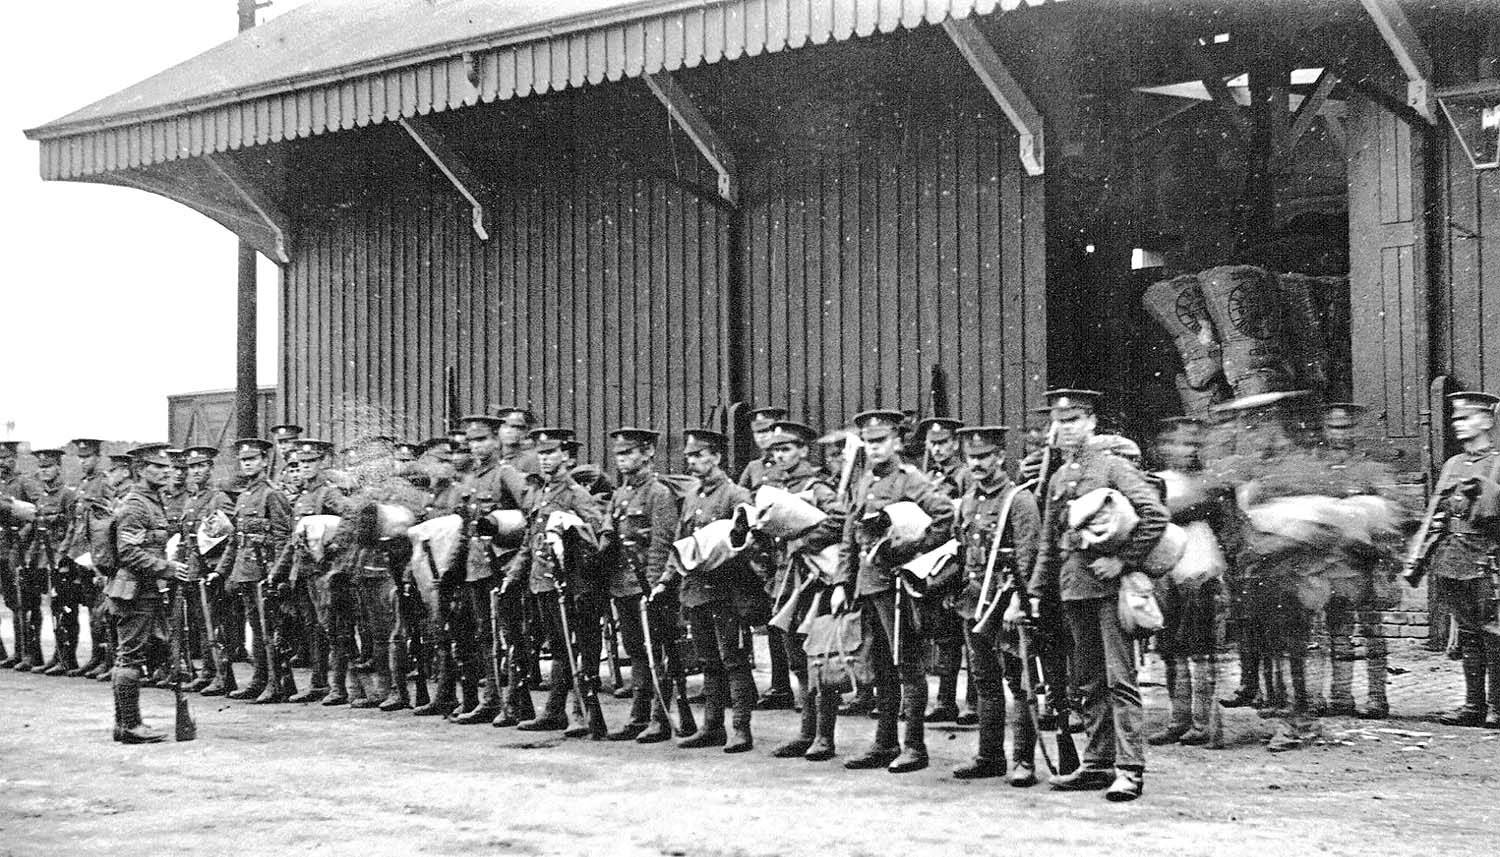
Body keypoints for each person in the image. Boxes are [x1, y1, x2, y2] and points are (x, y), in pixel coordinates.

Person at [1027, 390, 1167, 801]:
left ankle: (1130, 768)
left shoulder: (1112, 467)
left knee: (1119, 679)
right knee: (1087, 682)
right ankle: (1097, 763)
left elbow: (1155, 514)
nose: (1064, 428)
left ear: (1091, 423)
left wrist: (1123, 561)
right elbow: (1049, 544)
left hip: (1108, 587)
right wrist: (1037, 590)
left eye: (1072, 420)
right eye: (1059, 421)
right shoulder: (1055, 477)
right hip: (1074, 589)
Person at [832, 409, 955, 774]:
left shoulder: (909, 481)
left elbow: (945, 516)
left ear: (897, 442)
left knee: (908, 667)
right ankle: (884, 743)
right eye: (868, 442)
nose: (874, 448)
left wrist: (910, 552)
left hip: (897, 588)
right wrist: (842, 581)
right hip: (868, 587)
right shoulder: (864, 481)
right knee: (880, 668)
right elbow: (849, 537)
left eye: (881, 441)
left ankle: (915, 746)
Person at [654, 428, 764, 752]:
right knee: (708, 661)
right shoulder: (691, 497)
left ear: (716, 457)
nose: (692, 462)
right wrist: (665, 580)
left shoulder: (736, 495)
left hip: (728, 590)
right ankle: (712, 728)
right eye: (689, 456)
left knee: (733, 659)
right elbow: (681, 544)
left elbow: (749, 538)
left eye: (699, 455)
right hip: (696, 591)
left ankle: (741, 729)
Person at [949, 425, 1040, 782]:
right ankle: (989, 757)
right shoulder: (969, 499)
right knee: (984, 681)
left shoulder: (1018, 499)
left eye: (985, 456)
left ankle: (1023, 761)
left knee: (1020, 684)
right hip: (975, 602)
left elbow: (1029, 554)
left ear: (1000, 457)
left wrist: (1023, 600)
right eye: (971, 457)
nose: (977, 463)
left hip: (1008, 602)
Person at [506, 428, 608, 738]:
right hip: (544, 582)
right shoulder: (540, 493)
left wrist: (573, 530)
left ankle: (582, 714)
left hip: (574, 584)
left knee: (580, 647)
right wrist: (514, 574)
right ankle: (556, 712)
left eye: (551, 453)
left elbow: (597, 533)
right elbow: (529, 540)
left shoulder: (576, 494)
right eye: (542, 454)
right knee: (561, 649)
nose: (546, 459)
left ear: (565, 455)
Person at [1406, 391, 1500, 728]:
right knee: (1468, 633)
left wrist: (1487, 489)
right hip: (1453, 559)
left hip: (1488, 560)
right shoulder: (1452, 465)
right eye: (1456, 419)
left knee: (1494, 634)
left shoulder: (1499, 462)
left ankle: (1496, 707)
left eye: (1467, 418)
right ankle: (1473, 705)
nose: (1459, 425)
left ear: (1487, 420)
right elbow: (1435, 512)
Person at [756, 420, 841, 758]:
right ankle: (806, 732)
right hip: (784, 579)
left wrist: (805, 539)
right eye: (775, 451)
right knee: (795, 659)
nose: (780, 456)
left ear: (803, 451)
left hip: (812, 581)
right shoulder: (775, 487)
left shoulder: (818, 487)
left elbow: (840, 520)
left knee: (817, 657)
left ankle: (823, 736)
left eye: (786, 449)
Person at [1147, 418, 1233, 747]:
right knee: (1171, 650)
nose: (1189, 451)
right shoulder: (1157, 482)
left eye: (1195, 445)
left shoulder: (1211, 482)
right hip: (1167, 573)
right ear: (1165, 449)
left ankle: (1202, 722)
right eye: (1182, 444)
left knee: (1201, 650)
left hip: (1201, 571)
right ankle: (1177, 719)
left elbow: (1221, 520)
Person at [598, 427, 685, 742]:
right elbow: (611, 534)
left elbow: (663, 544)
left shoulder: (658, 493)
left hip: (648, 586)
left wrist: (657, 586)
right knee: (635, 650)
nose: (622, 460)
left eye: (629, 453)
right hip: (622, 585)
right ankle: (638, 715)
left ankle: (660, 718)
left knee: (656, 651)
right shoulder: (621, 494)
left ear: (647, 453)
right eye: (619, 455)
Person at [1316, 404, 1398, 720]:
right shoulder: (1318, 469)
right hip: (1333, 562)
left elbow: (1390, 515)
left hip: (1365, 562)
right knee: (1336, 629)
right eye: (1334, 427)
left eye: (1347, 427)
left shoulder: (1372, 470)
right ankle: (1340, 695)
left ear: (1356, 430)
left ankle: (1377, 697)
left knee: (1372, 630)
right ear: (1325, 430)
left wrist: (1385, 557)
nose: (1340, 434)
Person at [107, 444, 189, 743]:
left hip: (144, 589)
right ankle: (129, 725)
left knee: (130, 655)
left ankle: (125, 724)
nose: (167, 471)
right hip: (134, 590)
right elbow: (128, 552)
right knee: (129, 657)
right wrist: (165, 568)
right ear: (140, 470)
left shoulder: (154, 501)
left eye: (167, 467)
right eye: (158, 467)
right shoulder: (136, 504)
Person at [215, 438, 294, 703]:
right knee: (257, 629)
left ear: (263, 462)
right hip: (246, 571)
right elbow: (236, 539)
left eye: (252, 459)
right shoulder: (245, 495)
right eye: (243, 460)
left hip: (265, 570)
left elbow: (284, 537)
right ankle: (260, 680)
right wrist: (222, 571)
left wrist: (278, 573)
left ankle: (276, 683)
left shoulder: (272, 494)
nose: (247, 464)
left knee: (270, 629)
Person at [913, 416, 971, 724]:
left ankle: (972, 702)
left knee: (969, 631)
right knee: (945, 634)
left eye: (942, 443)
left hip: (958, 560)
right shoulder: (927, 476)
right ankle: (946, 700)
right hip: (933, 560)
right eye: (932, 444)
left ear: (955, 443)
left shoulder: (965, 475)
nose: (936, 449)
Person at [739, 405, 796, 710]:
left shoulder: (790, 466)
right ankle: (779, 684)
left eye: (769, 431)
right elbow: (744, 504)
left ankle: (797, 686)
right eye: (758, 433)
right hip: (763, 554)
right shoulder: (753, 469)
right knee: (771, 621)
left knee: (791, 622)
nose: (764, 438)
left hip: (787, 549)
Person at [61, 438, 113, 678]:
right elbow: (76, 523)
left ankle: (107, 658)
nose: (84, 461)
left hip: (98, 556)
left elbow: (108, 522)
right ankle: (95, 655)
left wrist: (102, 556)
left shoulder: (105, 483)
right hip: (81, 553)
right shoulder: (82, 485)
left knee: (104, 608)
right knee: (92, 608)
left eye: (88, 457)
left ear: (98, 457)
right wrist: (67, 551)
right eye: (80, 457)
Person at [23, 449, 77, 675]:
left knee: (65, 609)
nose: (43, 471)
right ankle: (57, 656)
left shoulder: (68, 495)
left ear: (58, 468)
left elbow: (73, 528)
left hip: (61, 559)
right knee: (54, 607)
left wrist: (65, 556)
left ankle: (66, 658)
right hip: (44, 558)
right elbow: (39, 528)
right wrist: (31, 557)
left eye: (48, 467)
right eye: (41, 467)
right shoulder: (43, 497)